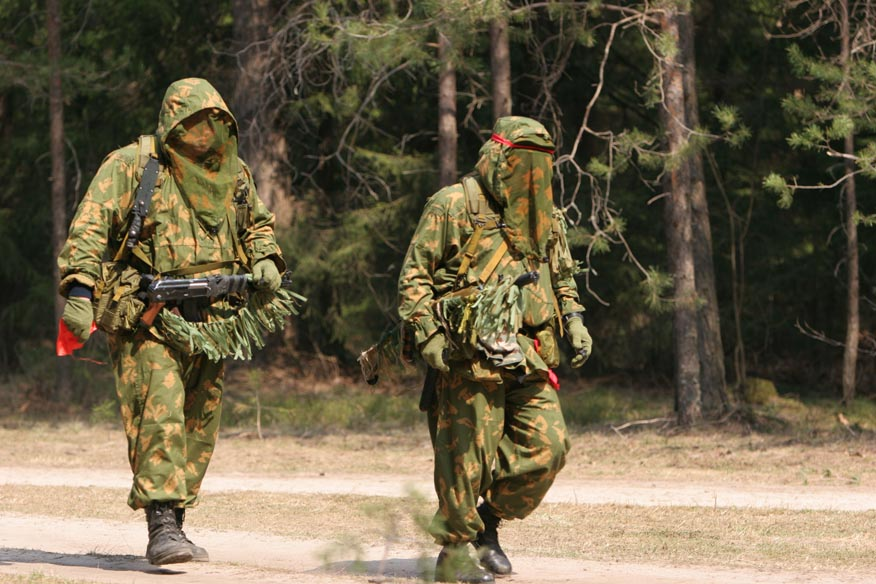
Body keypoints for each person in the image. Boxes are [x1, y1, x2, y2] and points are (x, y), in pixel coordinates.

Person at [57, 78, 287, 566]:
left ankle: (177, 523)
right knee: (158, 413)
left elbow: (257, 225)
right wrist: (79, 289)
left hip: (215, 320)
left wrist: (267, 258)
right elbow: (90, 228)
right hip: (149, 316)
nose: (202, 134)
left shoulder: (232, 172)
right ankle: (160, 525)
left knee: (198, 423)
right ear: (171, 124)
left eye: (212, 124)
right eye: (192, 124)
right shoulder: (133, 166)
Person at [398, 116, 593, 583]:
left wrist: (576, 320)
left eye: (541, 165)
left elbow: (561, 273)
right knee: (465, 455)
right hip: (468, 354)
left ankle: (487, 523)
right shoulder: (453, 205)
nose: (532, 175)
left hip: (528, 350)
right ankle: (456, 549)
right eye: (523, 163)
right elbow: (414, 277)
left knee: (549, 446)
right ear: (499, 159)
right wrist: (428, 335)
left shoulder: (544, 213)